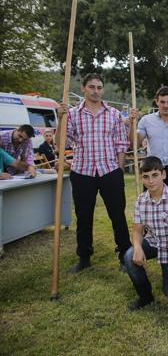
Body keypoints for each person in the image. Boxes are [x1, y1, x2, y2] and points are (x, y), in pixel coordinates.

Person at [58, 73, 132, 273]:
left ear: (103, 90)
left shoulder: (114, 114)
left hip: (110, 171)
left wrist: (119, 168)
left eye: (99, 87)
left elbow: (122, 143)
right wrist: (61, 120)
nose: (96, 91)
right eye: (91, 87)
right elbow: (60, 143)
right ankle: (84, 257)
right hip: (82, 172)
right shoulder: (72, 114)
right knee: (83, 217)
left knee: (117, 215)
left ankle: (125, 255)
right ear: (83, 89)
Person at [123, 156, 168, 310]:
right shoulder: (140, 200)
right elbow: (137, 229)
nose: (151, 181)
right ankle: (145, 296)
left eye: (155, 175)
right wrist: (137, 248)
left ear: (163, 174)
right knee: (129, 256)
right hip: (153, 242)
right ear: (141, 178)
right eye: (146, 177)